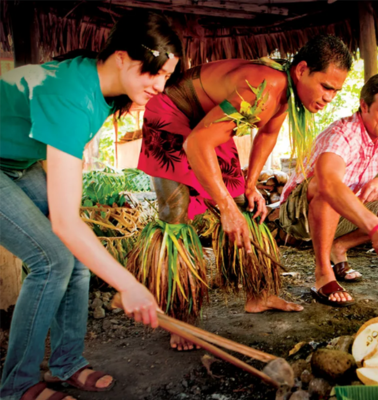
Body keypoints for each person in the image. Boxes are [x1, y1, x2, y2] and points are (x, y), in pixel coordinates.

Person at [0, 11, 181, 400]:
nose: (160, 87)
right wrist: (128, 285)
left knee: (77, 257)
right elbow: (65, 223)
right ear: (121, 57)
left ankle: (66, 363)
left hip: (13, 162)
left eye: (166, 76)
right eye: (153, 73)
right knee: (53, 259)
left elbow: (67, 170)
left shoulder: (102, 88)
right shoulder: (71, 93)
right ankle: (17, 385)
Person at [135, 35, 353, 350]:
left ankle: (259, 294)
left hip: (207, 120)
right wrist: (224, 207)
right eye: (326, 87)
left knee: (245, 203)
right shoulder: (266, 86)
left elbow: (267, 133)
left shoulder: (284, 92)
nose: (330, 98)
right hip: (171, 114)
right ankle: (179, 319)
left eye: (336, 91)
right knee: (176, 214)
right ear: (303, 70)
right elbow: (196, 144)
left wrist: (250, 185)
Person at [279, 73, 378, 307]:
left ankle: (338, 247)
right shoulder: (342, 134)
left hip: (344, 212)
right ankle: (323, 273)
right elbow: (329, 184)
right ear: (364, 106)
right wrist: (377, 229)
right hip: (299, 215)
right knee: (327, 187)